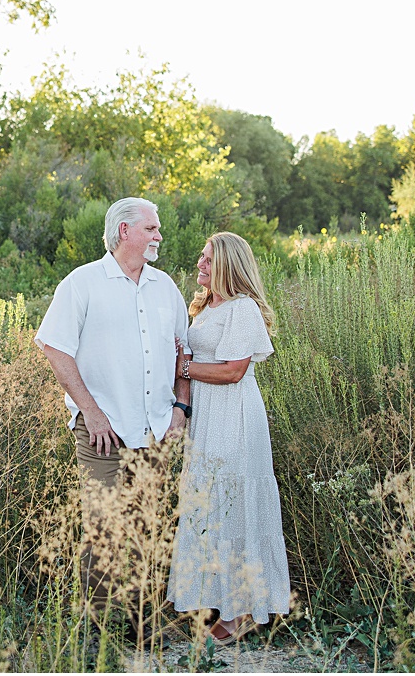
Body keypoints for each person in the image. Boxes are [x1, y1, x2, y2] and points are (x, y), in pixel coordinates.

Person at [36, 196, 192, 602]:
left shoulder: (166, 287)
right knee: (102, 530)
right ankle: (100, 632)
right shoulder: (81, 283)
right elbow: (54, 348)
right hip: (102, 431)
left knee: (148, 529)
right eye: (151, 228)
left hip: (156, 428)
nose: (159, 235)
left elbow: (184, 352)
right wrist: (92, 411)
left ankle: (145, 626)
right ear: (124, 231)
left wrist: (180, 409)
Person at [166, 231, 290, 644]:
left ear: (228, 265)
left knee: (233, 504)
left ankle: (241, 613)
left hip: (235, 415)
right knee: (210, 504)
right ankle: (215, 600)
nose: (200, 264)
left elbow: (233, 370)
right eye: (200, 256)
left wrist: (183, 370)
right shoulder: (204, 307)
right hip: (207, 416)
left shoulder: (243, 309)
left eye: (207, 259)